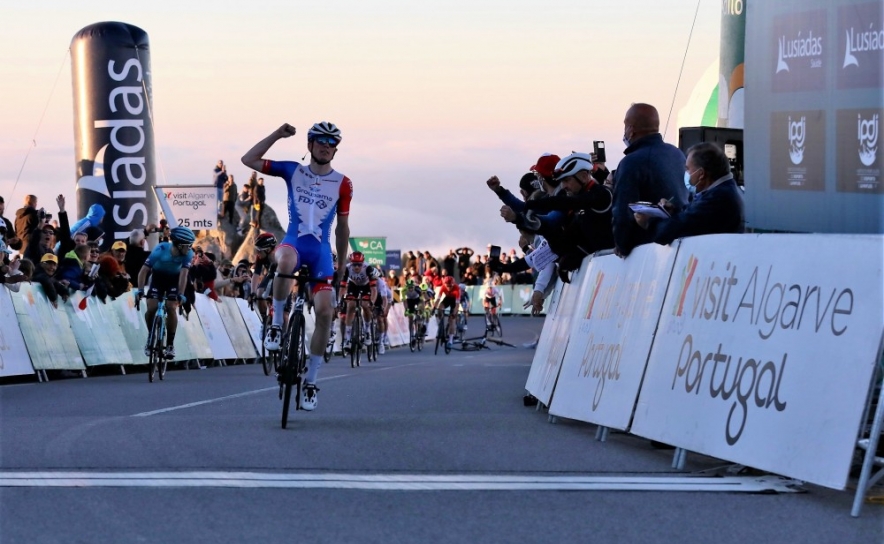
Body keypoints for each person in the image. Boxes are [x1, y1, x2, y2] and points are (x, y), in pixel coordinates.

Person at [241, 121, 351, 412]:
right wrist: (277, 134)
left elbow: (342, 228)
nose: (326, 146)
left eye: (331, 143)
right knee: (286, 260)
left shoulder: (343, 183)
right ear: (310, 144)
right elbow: (248, 160)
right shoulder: (294, 171)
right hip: (293, 243)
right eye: (320, 141)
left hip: (321, 253)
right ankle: (277, 325)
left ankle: (311, 382)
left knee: (325, 312)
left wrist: (341, 266)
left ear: (335, 149)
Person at [611, 103, 689, 257]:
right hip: (680, 245)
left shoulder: (631, 162)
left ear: (631, 129)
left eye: (626, 125)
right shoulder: (677, 154)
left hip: (648, 252)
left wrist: (622, 245)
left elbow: (622, 213)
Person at [634, 142, 745, 244]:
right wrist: (673, 212)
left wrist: (649, 222)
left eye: (688, 169)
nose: (686, 173)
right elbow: (692, 217)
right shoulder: (725, 190)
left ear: (701, 174)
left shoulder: (719, 198)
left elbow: (675, 229)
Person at [134, 226, 196, 359]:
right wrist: (140, 290)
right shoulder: (160, 249)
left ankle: (170, 345)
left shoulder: (188, 254)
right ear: (179, 245)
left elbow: (183, 275)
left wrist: (181, 294)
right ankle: (151, 337)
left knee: (171, 307)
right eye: (188, 245)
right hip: (158, 278)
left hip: (174, 280)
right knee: (152, 308)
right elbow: (143, 271)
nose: (190, 248)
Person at [338, 251, 380, 352]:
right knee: (350, 306)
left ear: (363, 263)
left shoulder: (368, 269)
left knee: (365, 305)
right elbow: (342, 287)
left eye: (359, 265)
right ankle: (347, 338)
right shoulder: (347, 269)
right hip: (353, 286)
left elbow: (374, 290)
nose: (356, 267)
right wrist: (340, 300)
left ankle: (367, 331)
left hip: (366, 286)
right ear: (351, 263)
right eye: (354, 264)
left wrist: (372, 302)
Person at [432, 275, 460, 348]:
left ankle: (450, 340)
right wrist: (434, 308)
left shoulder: (457, 289)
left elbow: (457, 305)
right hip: (447, 299)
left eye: (450, 286)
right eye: (447, 286)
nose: (449, 288)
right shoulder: (443, 287)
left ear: (453, 284)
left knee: (452, 321)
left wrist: (454, 313)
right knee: (440, 308)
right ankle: (441, 325)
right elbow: (438, 299)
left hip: (454, 301)